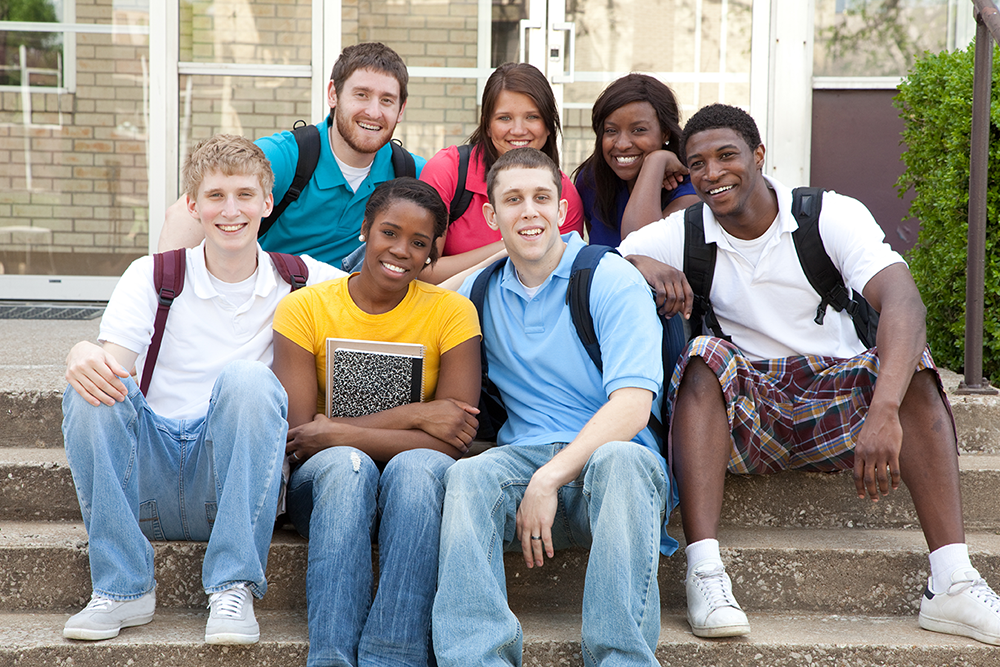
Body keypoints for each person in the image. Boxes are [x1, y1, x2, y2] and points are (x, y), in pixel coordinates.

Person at [619, 103, 1000, 645]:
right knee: (703, 356)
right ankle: (705, 572)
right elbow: (610, 258)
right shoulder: (687, 230)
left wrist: (884, 411)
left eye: (727, 156)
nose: (712, 173)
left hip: (841, 395)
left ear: (759, 156)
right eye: (697, 163)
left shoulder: (827, 214)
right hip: (754, 405)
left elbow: (904, 303)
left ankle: (953, 582)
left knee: (911, 362)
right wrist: (643, 263)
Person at [60, 134, 344, 645]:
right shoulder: (152, 275)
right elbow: (114, 371)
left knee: (249, 379)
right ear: (193, 205)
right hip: (149, 481)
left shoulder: (308, 281)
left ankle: (233, 585)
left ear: (267, 202)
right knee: (91, 386)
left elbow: (396, 298)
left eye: (243, 195)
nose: (230, 210)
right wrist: (82, 353)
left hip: (233, 485)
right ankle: (122, 588)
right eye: (215, 196)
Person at [432, 147, 675, 667]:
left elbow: (632, 407)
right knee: (468, 477)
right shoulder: (482, 289)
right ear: (490, 215)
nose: (530, 211)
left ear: (563, 206)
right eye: (513, 201)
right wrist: (504, 253)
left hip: (609, 477)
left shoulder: (608, 277)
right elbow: (422, 305)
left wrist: (549, 479)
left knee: (624, 459)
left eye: (543, 198)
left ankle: (620, 660)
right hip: (521, 470)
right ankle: (478, 658)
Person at [271, 177, 481, 667]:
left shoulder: (453, 313)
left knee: (417, 469)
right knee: (347, 467)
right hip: (326, 489)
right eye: (389, 232)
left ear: (433, 253)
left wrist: (343, 430)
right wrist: (414, 415)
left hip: (413, 493)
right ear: (365, 229)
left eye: (419, 242)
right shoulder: (307, 308)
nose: (401, 250)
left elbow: (453, 441)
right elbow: (302, 438)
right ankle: (332, 657)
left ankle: (395, 655)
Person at [159, 42, 425, 266]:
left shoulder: (411, 174)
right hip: (266, 310)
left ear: (401, 110)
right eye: (362, 95)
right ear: (333, 94)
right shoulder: (285, 157)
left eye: (387, 100)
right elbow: (183, 217)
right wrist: (166, 306)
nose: (374, 112)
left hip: (347, 320)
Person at [417, 62, 584, 283]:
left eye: (532, 117)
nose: (518, 130)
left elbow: (563, 281)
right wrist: (509, 246)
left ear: (548, 125)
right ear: (487, 125)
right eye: (504, 118)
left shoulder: (563, 193)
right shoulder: (448, 170)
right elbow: (422, 270)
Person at [574, 73, 699, 247]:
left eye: (639, 130)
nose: (623, 144)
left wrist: (656, 161)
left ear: (665, 132)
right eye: (611, 130)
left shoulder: (692, 190)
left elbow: (643, 249)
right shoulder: (591, 180)